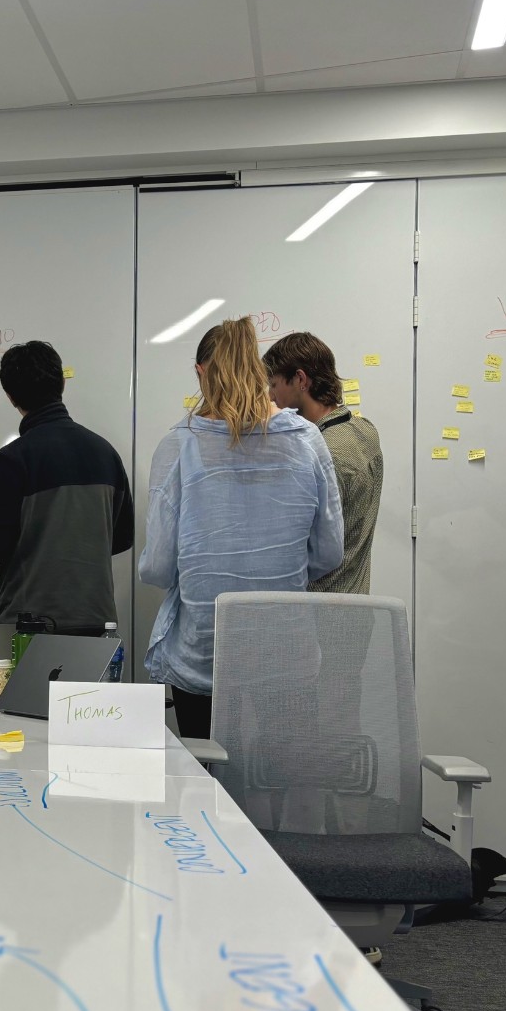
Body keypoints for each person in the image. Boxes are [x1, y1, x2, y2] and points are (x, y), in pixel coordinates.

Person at [140, 316, 344, 739]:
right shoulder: (307, 440)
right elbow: (329, 554)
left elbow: (158, 568)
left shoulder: (179, 444)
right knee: (281, 788)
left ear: (201, 372)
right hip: (284, 654)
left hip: (203, 656)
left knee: (204, 790)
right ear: (258, 369)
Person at [0, 340, 132, 634]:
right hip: (96, 622)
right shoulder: (105, 453)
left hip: (31, 625)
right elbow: (121, 538)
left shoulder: (13, 459)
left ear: (10, 396)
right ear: (63, 383)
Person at [264, 331, 384, 594]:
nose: (271, 396)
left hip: (323, 614)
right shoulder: (366, 431)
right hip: (356, 604)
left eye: (273, 384)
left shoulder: (323, 454)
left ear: (300, 379)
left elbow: (304, 548)